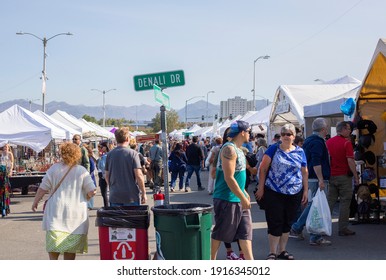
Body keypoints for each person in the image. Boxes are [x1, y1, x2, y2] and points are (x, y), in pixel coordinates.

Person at [31, 142, 96, 260]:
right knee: (70, 252)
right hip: (75, 217)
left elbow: (42, 188)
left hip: (55, 214)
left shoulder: (54, 169)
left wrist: (35, 201)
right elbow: (92, 191)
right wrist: (87, 197)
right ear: (77, 155)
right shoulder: (82, 171)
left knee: (54, 248)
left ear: (62, 153)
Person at [255, 123, 308, 260]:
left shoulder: (300, 151)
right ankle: (272, 251)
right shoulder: (273, 149)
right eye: (283, 134)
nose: (285, 136)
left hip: (294, 191)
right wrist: (261, 188)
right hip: (274, 191)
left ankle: (282, 250)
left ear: (294, 136)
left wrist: (306, 191)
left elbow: (304, 172)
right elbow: (263, 168)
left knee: (287, 221)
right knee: (275, 220)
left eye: (288, 134)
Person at [211, 120, 254, 260]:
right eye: (248, 131)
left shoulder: (239, 150)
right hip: (226, 199)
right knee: (220, 233)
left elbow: (237, 175)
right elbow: (229, 177)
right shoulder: (228, 149)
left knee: (245, 234)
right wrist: (242, 196)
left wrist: (244, 193)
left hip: (238, 198)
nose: (250, 134)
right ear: (242, 132)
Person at [290, 118, 331, 245]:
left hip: (309, 177)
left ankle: (306, 231)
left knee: (313, 205)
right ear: (323, 129)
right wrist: (321, 179)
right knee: (315, 206)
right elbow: (316, 161)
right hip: (315, 178)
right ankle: (302, 230)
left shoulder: (308, 140)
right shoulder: (318, 142)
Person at [326, 121, 359, 236]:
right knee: (345, 201)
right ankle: (343, 228)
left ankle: (323, 226)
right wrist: (356, 176)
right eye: (348, 129)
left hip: (332, 175)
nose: (350, 131)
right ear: (343, 129)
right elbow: (350, 160)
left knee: (330, 201)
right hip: (344, 176)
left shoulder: (328, 142)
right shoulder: (346, 143)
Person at [105, 127, 147, 206]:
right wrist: (143, 192)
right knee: (131, 218)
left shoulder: (110, 155)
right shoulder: (133, 154)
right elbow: (139, 175)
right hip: (131, 196)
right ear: (127, 139)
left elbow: (107, 175)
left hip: (115, 195)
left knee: (117, 218)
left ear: (116, 139)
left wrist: (113, 187)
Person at [84, 144, 97, 210]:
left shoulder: (89, 158)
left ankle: (90, 205)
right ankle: (89, 205)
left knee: (90, 191)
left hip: (90, 177)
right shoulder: (89, 158)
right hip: (90, 177)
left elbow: (92, 167)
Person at [97, 142, 109, 208]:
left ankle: (107, 207)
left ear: (105, 147)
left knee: (104, 193)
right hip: (102, 174)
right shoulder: (103, 155)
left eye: (101, 147)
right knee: (104, 193)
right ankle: (107, 206)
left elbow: (103, 166)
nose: (100, 149)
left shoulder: (106, 155)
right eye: (99, 147)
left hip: (104, 174)